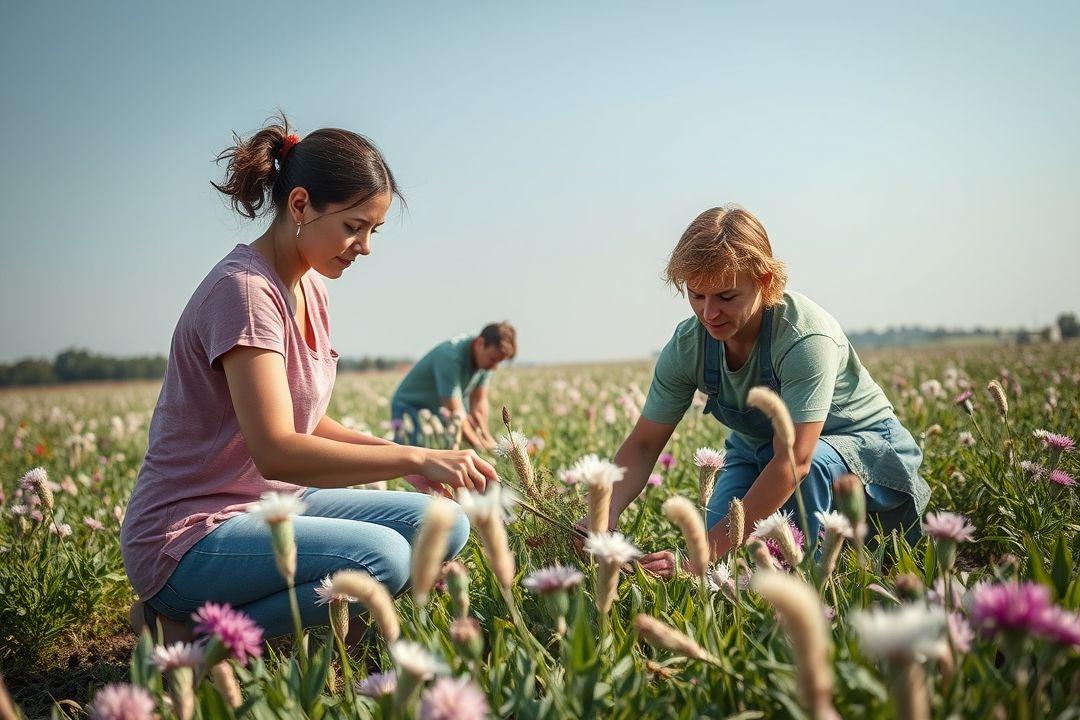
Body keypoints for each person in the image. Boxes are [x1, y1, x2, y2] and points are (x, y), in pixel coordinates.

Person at [120, 116, 497, 642]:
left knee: (444, 523)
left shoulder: (310, 288)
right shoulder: (245, 293)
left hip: (274, 503)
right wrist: (416, 455)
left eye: (373, 230)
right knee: (380, 558)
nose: (364, 246)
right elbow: (276, 449)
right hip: (192, 535)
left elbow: (308, 420)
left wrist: (404, 458)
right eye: (352, 226)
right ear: (299, 205)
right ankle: (183, 633)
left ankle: (315, 628)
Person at [606, 205, 930, 579]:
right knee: (724, 558)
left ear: (764, 281)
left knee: (745, 541)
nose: (709, 313)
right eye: (696, 296)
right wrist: (604, 511)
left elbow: (795, 461)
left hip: (861, 451)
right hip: (756, 454)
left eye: (726, 297)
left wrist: (701, 553)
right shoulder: (688, 346)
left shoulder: (804, 336)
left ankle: (821, 578)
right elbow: (645, 444)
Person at [391, 323, 516, 450]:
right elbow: (454, 411)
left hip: (437, 410)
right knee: (413, 456)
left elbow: (478, 401)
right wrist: (480, 446)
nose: (495, 367)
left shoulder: (485, 358)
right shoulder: (450, 357)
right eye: (493, 359)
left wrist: (489, 441)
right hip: (410, 407)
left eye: (499, 361)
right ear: (480, 344)